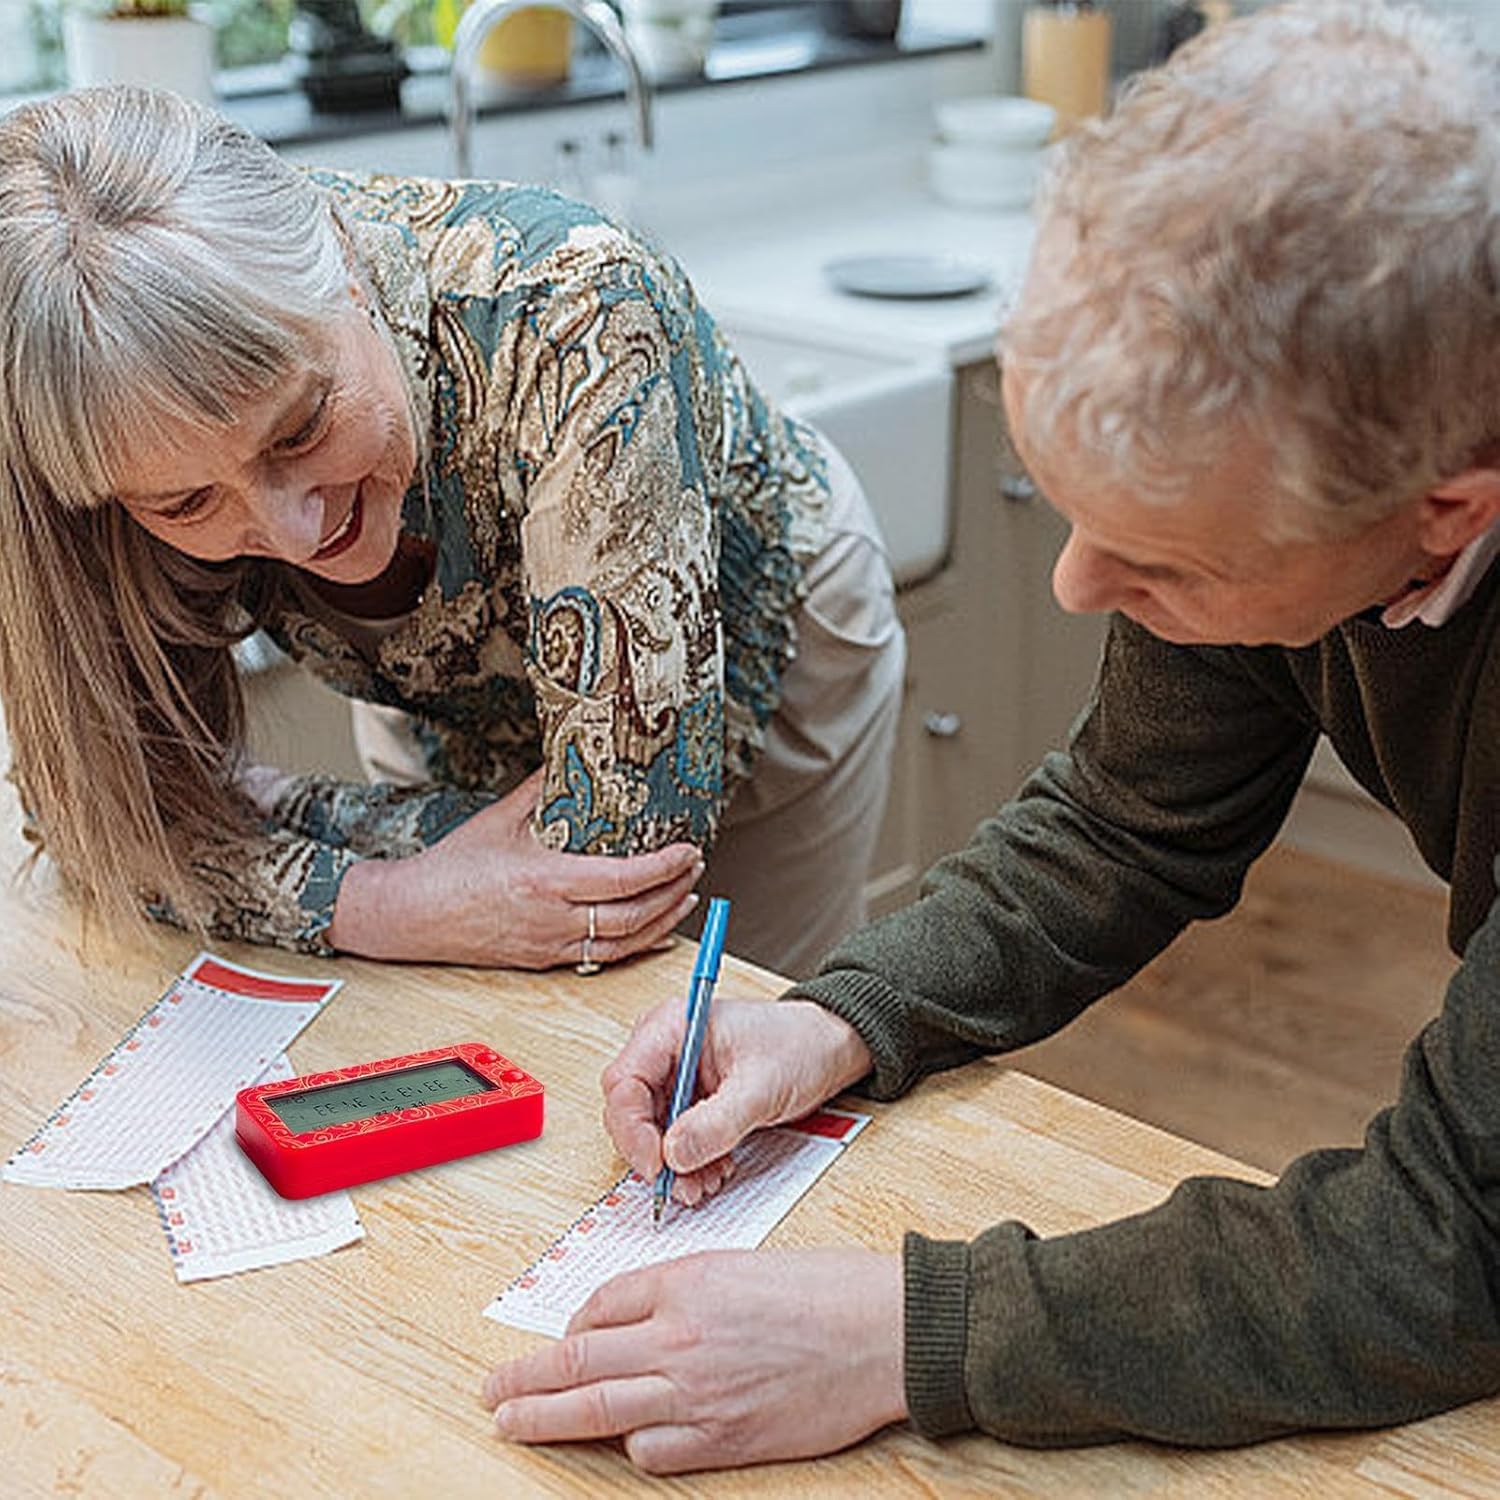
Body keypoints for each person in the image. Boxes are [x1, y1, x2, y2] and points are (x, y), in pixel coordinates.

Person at [480, 0, 1500, 1474]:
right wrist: (839, 1015)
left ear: (1445, 512)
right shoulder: (1281, 454)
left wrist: (909, 1332)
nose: (1084, 587)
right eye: (1075, 513)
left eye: (1163, 565)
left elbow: (1451, 1245)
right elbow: (1124, 818)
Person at [0, 87, 904, 977]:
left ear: (346, 272)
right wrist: (394, 903)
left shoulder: (581, 314)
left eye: (300, 429)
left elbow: (612, 860)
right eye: (187, 505)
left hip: (764, 636)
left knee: (734, 1044)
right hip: (436, 691)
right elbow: (91, 810)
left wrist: (274, 824)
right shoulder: (76, 419)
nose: (291, 530)